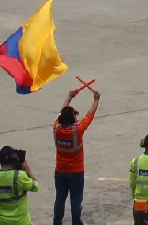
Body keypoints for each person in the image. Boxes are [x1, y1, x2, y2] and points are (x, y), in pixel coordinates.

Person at [53, 86, 100, 225]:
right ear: (73, 119)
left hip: (60, 170)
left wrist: (69, 97)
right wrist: (96, 100)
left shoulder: (56, 128)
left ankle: (57, 222)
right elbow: (90, 115)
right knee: (76, 199)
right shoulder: (78, 130)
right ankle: (76, 222)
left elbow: (60, 113)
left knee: (60, 198)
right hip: (76, 171)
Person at [0, 146, 40, 225]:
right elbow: (36, 187)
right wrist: (28, 170)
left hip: (1, 222)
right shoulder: (20, 176)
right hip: (21, 222)